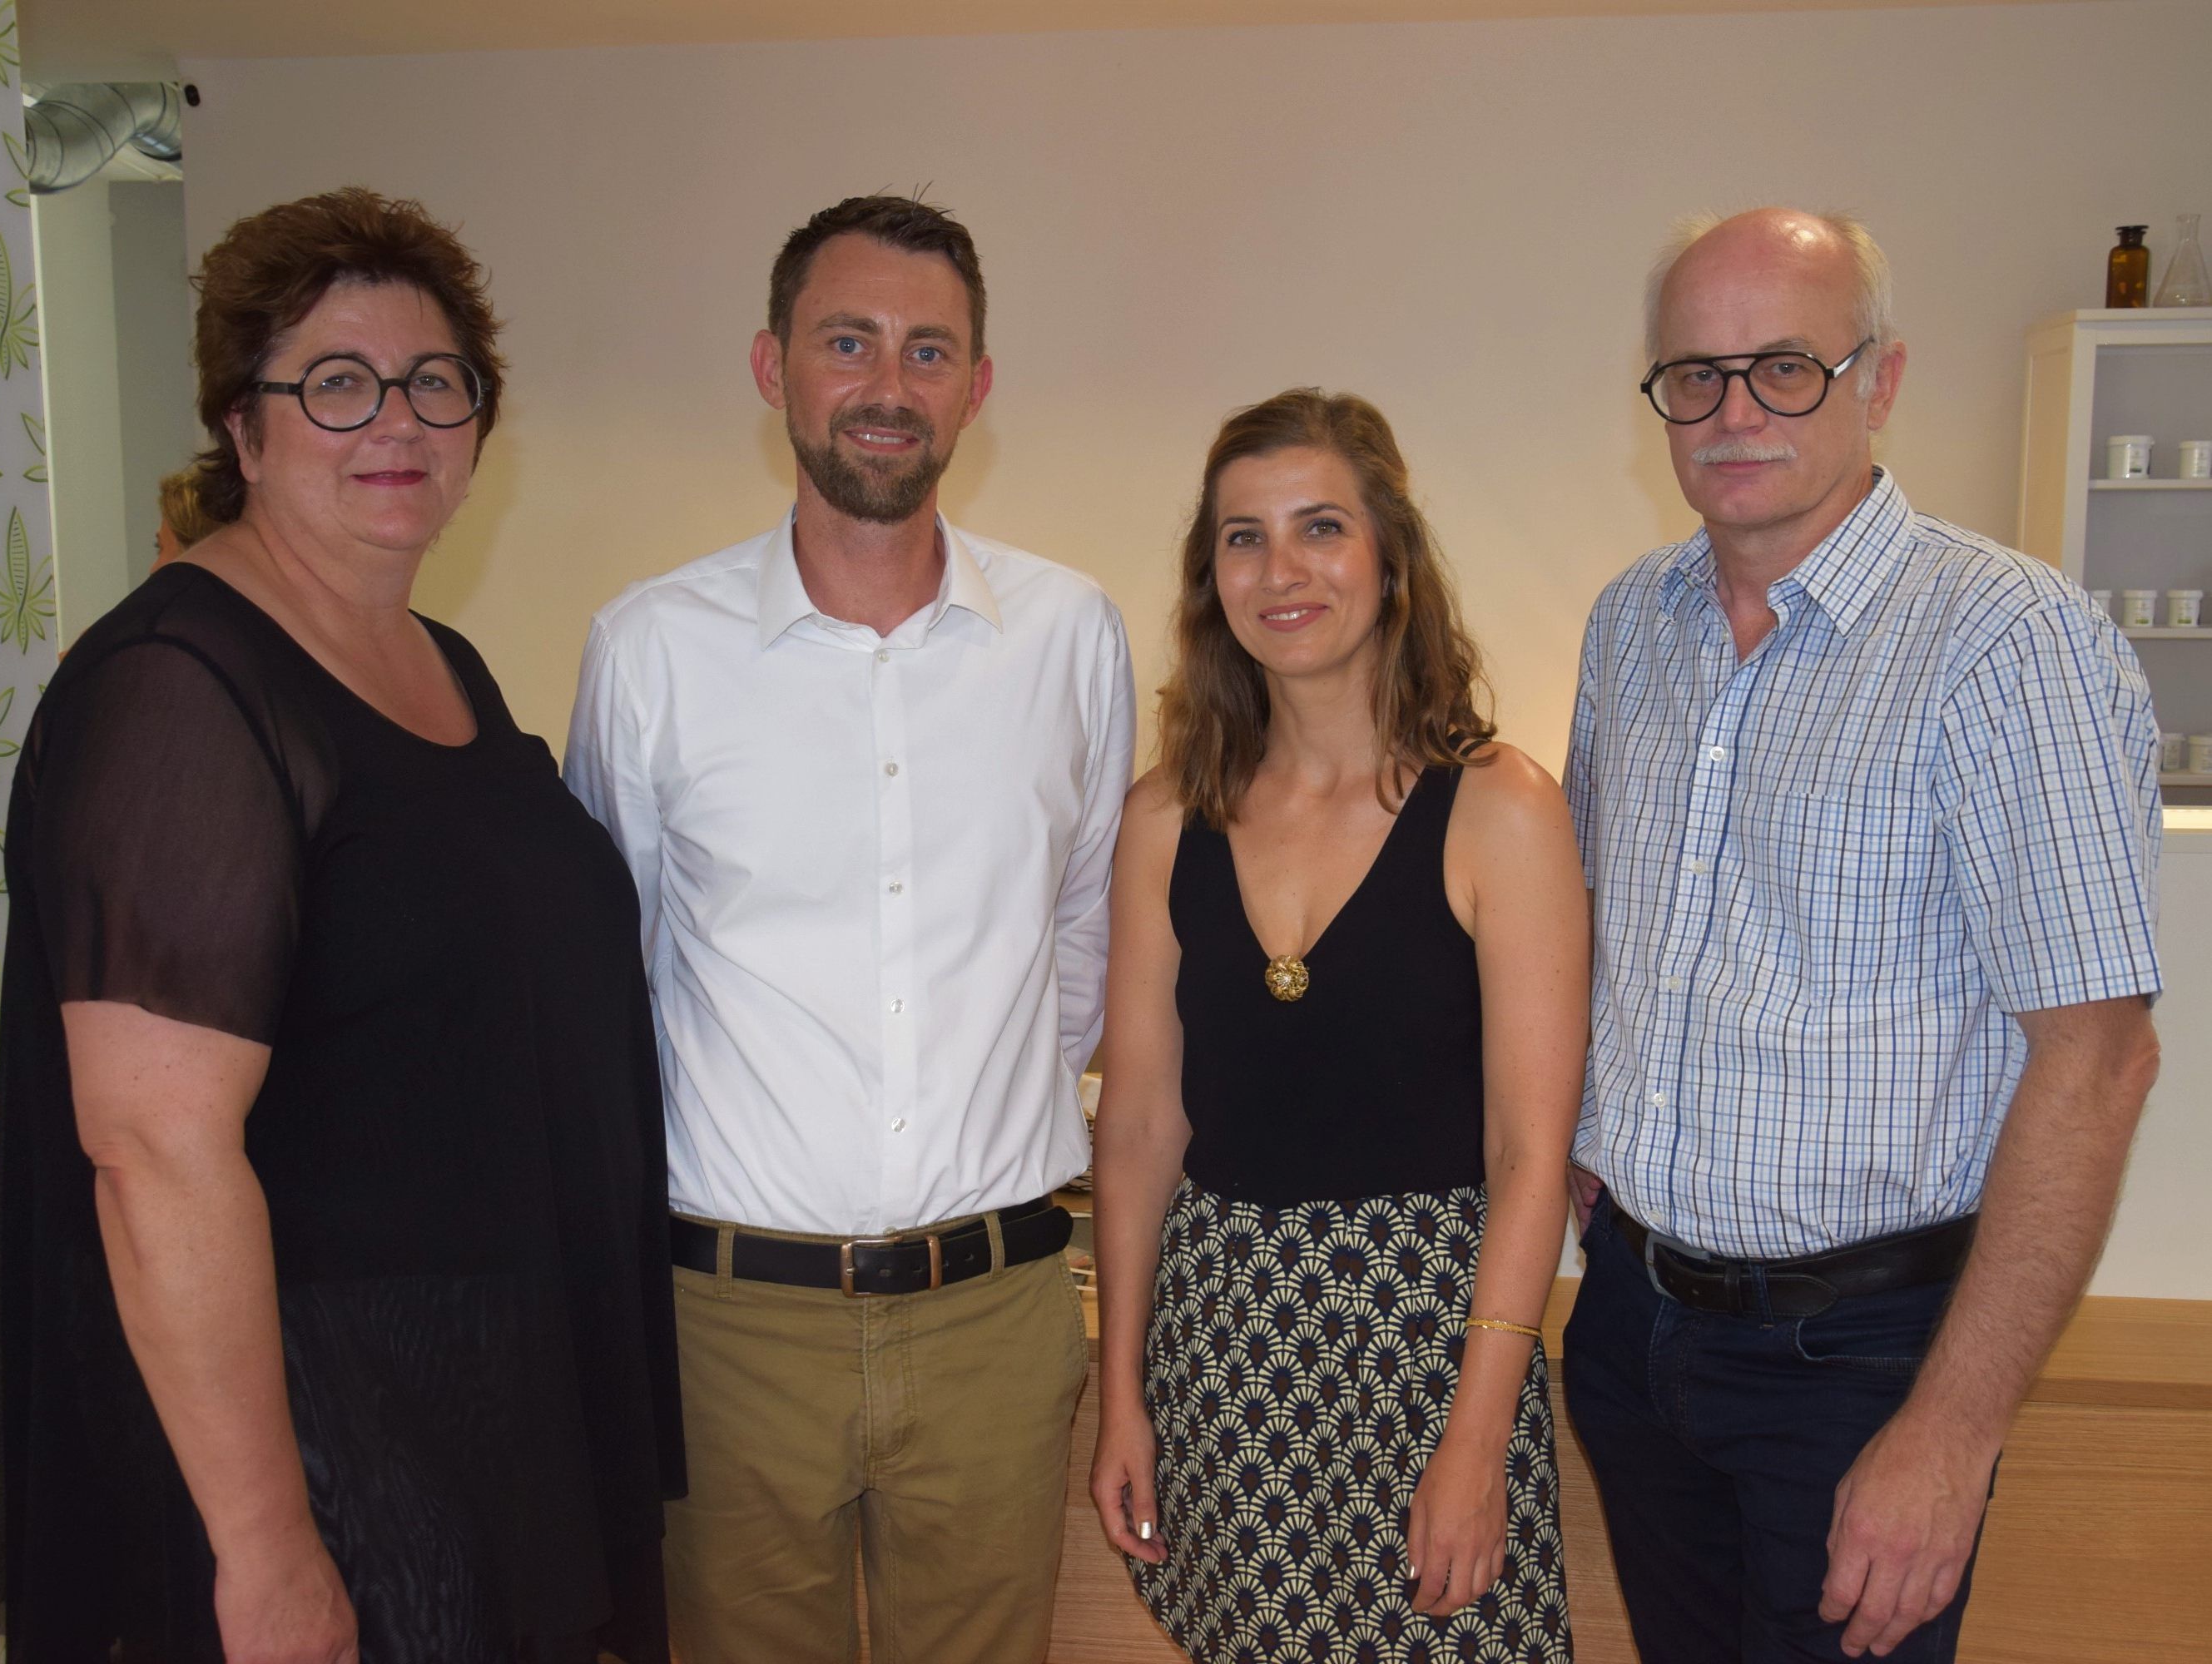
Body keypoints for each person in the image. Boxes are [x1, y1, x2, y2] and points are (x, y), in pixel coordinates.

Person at [0, 186, 685, 1662]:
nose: (399, 423)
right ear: (239, 429)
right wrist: (265, 1551)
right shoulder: (181, 691)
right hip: (328, 1436)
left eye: (438, 383)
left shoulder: (434, 657)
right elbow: (151, 1153)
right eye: (336, 384)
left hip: (489, 1398)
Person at [1563, 207, 2163, 1664]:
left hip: (1861, 1364)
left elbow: (2094, 1065)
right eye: (1692, 375)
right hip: (1636, 1334)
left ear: (1878, 379)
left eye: (1784, 366)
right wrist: (1595, 1151)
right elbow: (1599, 926)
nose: (1732, 411)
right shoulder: (1629, 622)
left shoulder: (2007, 642)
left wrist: (1950, 1434)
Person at [564, 193, 1136, 1664]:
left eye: (929, 349)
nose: (888, 384)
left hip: (995, 1315)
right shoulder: (651, 651)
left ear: (976, 388)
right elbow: (607, 972)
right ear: (774, 369)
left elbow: (1084, 930)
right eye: (848, 341)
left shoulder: (1070, 634)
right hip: (731, 1323)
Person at [1089, 389, 1585, 1663]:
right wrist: (1122, 1394)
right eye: (1241, 536)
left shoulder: (1497, 808)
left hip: (1432, 1352)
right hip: (1222, 1355)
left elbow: (1530, 1155)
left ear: (1389, 559)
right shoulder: (1163, 817)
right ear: (1209, 574)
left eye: (1320, 527)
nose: (1281, 569)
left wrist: (1479, 1439)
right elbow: (1142, 1125)